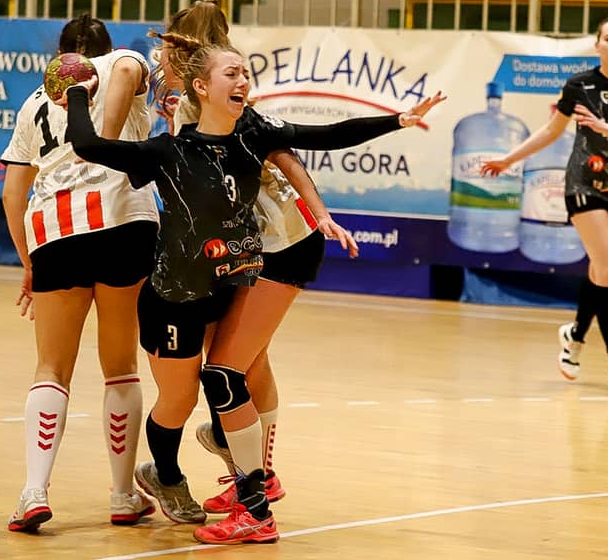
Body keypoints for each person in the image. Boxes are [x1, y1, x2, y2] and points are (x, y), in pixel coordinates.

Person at [58, 34, 445, 543]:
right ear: (201, 87)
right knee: (180, 399)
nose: (243, 80)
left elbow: (327, 134)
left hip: (224, 286)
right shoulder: (169, 150)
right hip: (172, 299)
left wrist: (398, 120)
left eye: (245, 72)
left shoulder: (253, 133)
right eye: (231, 73)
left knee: (225, 380)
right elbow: (89, 146)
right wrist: (79, 93)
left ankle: (255, 506)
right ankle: (172, 476)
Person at [151, 0, 355, 517]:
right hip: (256, 246)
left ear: (182, 56)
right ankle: (253, 467)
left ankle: (257, 483)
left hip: (280, 243)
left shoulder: (203, 105)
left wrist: (320, 214)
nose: (158, 62)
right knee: (251, 357)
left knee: (225, 371)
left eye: (164, 53)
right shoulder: (206, 100)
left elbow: (286, 154)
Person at [0, 14, 158, 531]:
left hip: (54, 231)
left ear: (58, 55)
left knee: (51, 368)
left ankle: (33, 491)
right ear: (104, 48)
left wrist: (28, 263)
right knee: (121, 364)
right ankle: (122, 495)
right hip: (123, 222)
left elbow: (12, 194)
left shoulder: (33, 102)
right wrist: (106, 146)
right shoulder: (120, 62)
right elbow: (130, 69)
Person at [481, 15, 608, 398]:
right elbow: (551, 130)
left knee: (601, 271)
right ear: (597, 44)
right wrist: (509, 159)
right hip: (584, 184)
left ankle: (575, 336)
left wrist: (602, 126)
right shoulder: (579, 85)